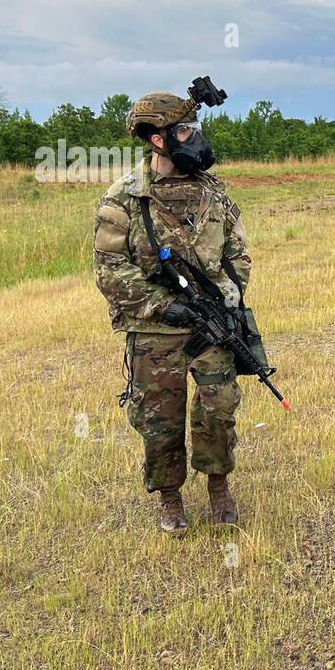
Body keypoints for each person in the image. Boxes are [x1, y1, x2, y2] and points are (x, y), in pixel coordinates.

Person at [93, 90, 250, 534]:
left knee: (218, 408)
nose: (194, 139)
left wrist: (227, 298)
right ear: (157, 139)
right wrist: (166, 306)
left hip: (211, 324)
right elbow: (109, 273)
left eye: (194, 130)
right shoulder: (124, 198)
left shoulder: (213, 191)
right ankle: (169, 498)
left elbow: (238, 254)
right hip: (154, 330)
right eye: (184, 131)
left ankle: (218, 486)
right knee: (159, 419)